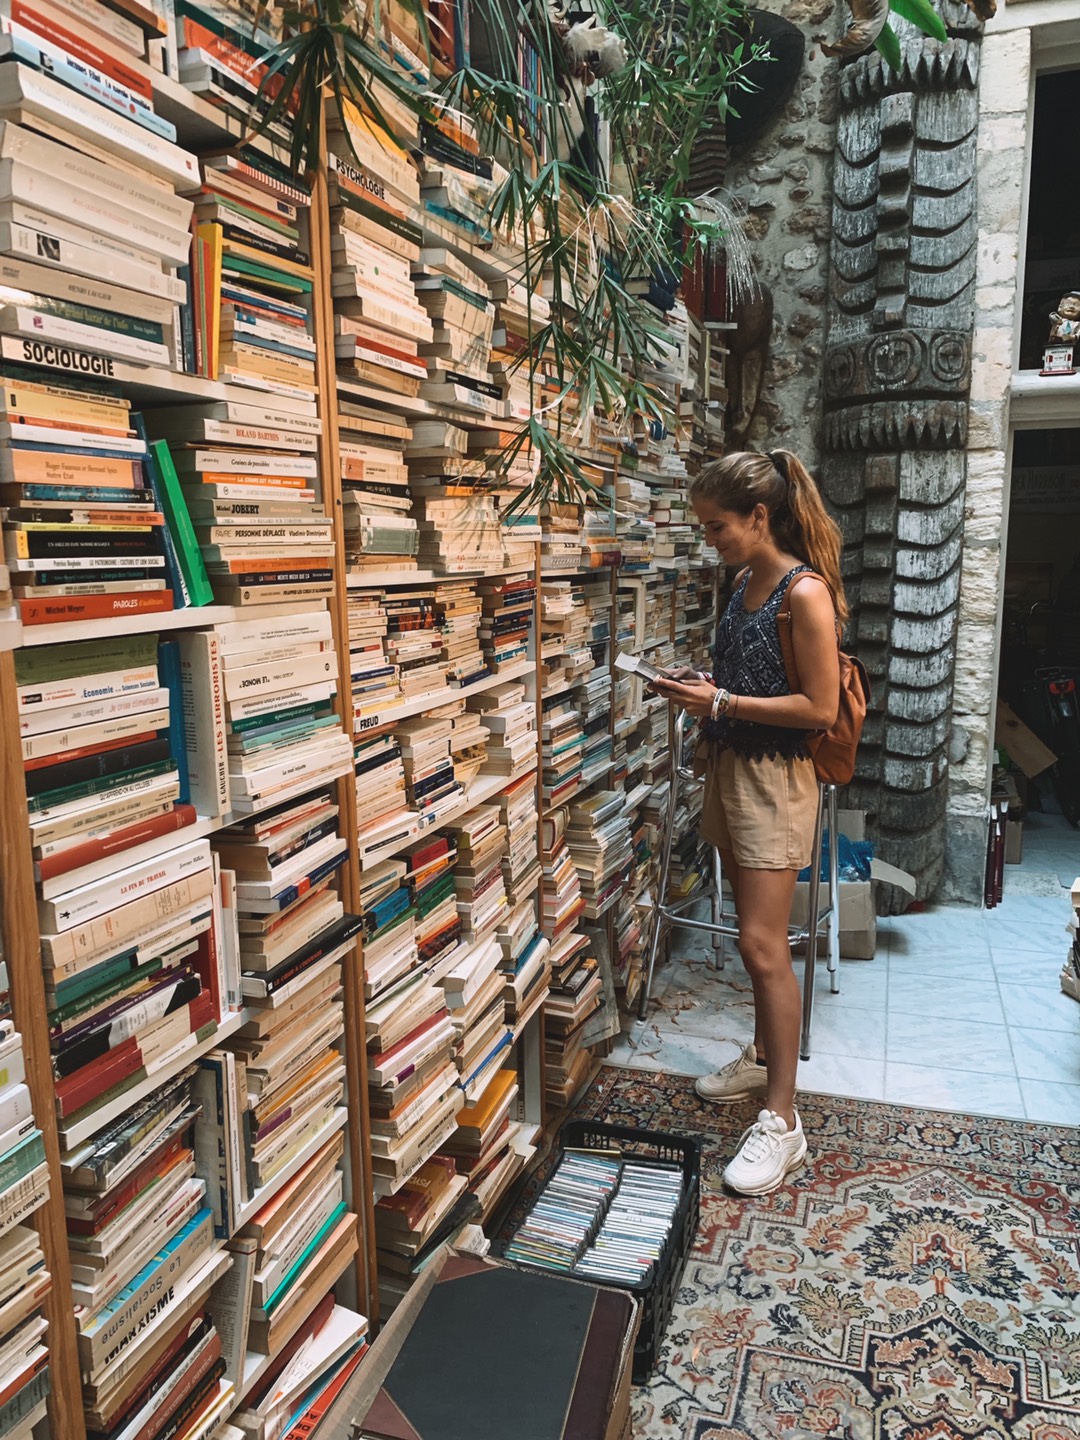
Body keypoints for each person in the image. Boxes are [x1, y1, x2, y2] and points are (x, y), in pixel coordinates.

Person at [652, 448, 845, 1197]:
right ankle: (763, 1057)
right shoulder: (742, 583)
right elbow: (745, 679)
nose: (711, 540)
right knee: (749, 936)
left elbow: (820, 710)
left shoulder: (806, 594)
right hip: (733, 769)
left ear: (759, 517)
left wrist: (723, 705)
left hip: (774, 782)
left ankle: (783, 1121)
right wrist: (705, 689)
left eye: (718, 526)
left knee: (767, 947)